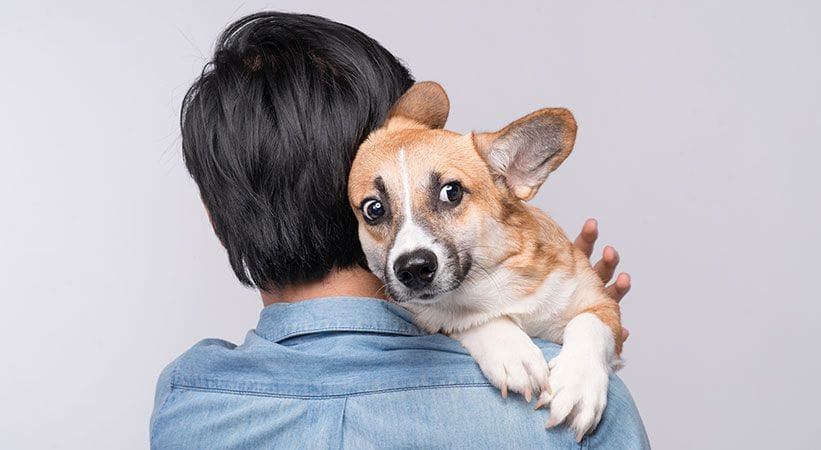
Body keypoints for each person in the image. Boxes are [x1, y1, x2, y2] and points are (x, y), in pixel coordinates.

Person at [150, 12, 649, 449]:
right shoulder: (577, 403)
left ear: (217, 219)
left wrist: (533, 301)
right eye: (376, 207)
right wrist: (577, 343)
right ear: (353, 199)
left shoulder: (184, 401)